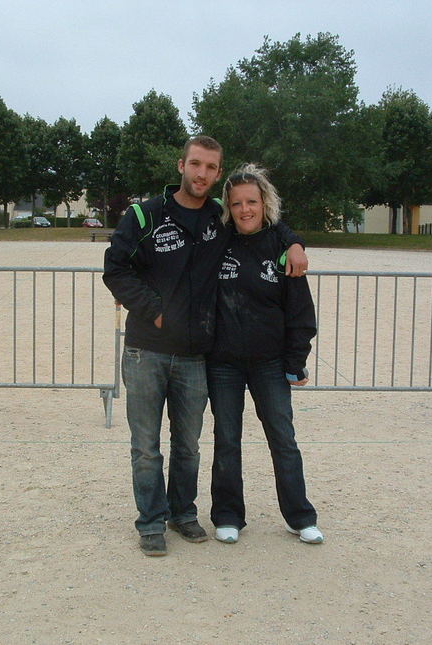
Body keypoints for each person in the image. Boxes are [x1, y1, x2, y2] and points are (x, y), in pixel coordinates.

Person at [102, 136, 308, 557]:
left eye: (211, 168)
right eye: (195, 164)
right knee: (146, 446)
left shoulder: (220, 219)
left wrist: (294, 241)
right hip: (146, 350)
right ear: (181, 165)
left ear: (218, 173)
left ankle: (182, 513)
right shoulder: (146, 215)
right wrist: (154, 310)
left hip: (196, 355)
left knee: (188, 444)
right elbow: (115, 269)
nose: (202, 173)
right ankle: (150, 522)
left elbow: (267, 224)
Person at [207, 163, 323, 546]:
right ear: (228, 206)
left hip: (270, 364)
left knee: (283, 438)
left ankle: (300, 516)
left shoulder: (280, 246)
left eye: (252, 202)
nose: (245, 210)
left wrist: (295, 360)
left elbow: (300, 312)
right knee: (227, 438)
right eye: (237, 203)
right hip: (222, 362)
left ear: (264, 203)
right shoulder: (217, 240)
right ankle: (227, 515)